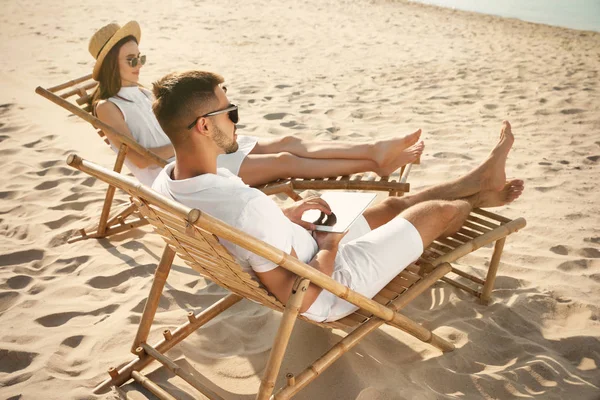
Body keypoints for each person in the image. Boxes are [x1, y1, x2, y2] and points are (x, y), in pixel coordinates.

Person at [150, 70, 525, 322]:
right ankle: (479, 199)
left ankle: (479, 178)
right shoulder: (245, 208)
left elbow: (246, 231)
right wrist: (329, 243)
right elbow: (303, 298)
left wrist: (287, 215)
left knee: (394, 207)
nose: (237, 120)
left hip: (299, 247)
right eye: (230, 112)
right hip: (330, 285)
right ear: (204, 125)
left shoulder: (166, 184)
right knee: (438, 212)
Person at [88, 21, 424, 187]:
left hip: (199, 147)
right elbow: (135, 157)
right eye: (131, 59)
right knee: (283, 161)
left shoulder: (144, 93)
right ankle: (372, 166)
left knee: (288, 142)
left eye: (140, 56)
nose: (139, 64)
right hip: (185, 171)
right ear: (110, 67)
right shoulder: (108, 107)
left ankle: (375, 149)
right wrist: (189, 141)